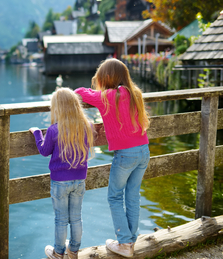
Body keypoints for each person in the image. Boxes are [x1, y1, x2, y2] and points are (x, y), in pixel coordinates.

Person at [74, 58, 150, 258]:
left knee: (115, 196)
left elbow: (79, 93)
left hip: (125, 154)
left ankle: (124, 242)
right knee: (133, 195)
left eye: (99, 79)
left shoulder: (106, 96)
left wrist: (97, 91)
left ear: (107, 78)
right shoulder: (135, 94)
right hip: (143, 150)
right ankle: (130, 240)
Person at [29, 87, 94, 259]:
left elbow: (44, 151)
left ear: (57, 108)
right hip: (79, 179)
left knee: (61, 219)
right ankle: (73, 250)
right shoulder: (86, 126)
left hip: (59, 182)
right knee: (76, 217)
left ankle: (58, 252)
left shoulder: (53, 130)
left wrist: (37, 133)